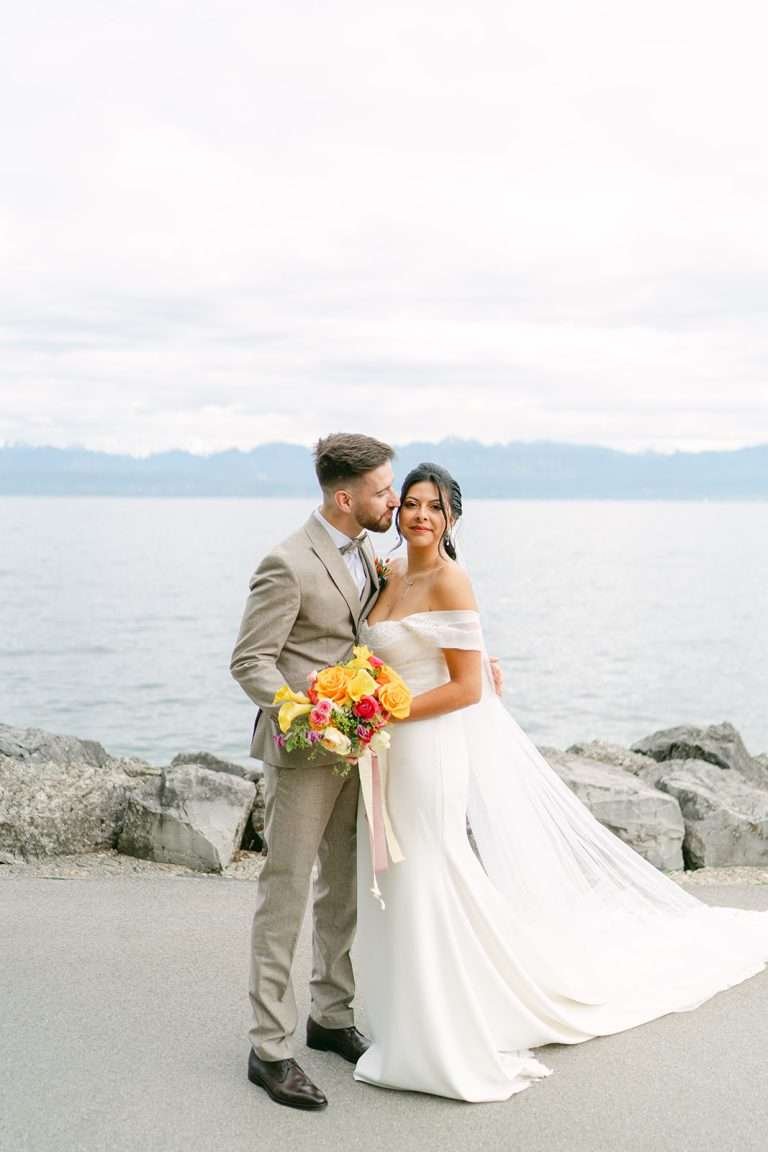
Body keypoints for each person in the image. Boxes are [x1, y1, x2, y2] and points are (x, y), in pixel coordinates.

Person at [352, 461, 768, 1102]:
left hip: (428, 750)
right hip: (386, 749)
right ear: (397, 511)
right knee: (394, 877)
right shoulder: (389, 570)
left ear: (453, 518)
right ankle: (406, 1016)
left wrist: (388, 706)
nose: (420, 516)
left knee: (430, 869)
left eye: (434, 507)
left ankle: (440, 1031)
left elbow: (466, 688)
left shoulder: (451, 579)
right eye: (410, 504)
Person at [229, 432, 399, 1111]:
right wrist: (304, 713)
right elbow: (250, 661)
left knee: (344, 890)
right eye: (384, 490)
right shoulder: (286, 562)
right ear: (345, 496)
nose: (391, 499)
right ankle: (268, 1049)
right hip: (303, 755)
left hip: (361, 753)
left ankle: (330, 1016)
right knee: (286, 894)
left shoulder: (367, 557)